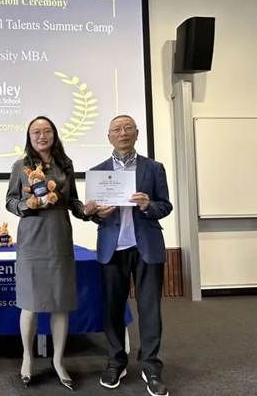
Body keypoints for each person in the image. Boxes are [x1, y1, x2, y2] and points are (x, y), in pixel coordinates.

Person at [5, 115, 95, 391]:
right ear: (29, 137)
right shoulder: (20, 166)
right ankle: (27, 357)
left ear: (54, 135)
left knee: (60, 302)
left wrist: (86, 211)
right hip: (32, 239)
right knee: (30, 303)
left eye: (46, 131)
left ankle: (58, 361)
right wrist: (27, 205)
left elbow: (73, 202)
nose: (41, 136)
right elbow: (10, 201)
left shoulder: (65, 165)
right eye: (36, 132)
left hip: (59, 238)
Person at [88, 115, 172, 396]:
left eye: (128, 128)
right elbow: (93, 216)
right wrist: (97, 214)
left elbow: (165, 206)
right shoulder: (98, 172)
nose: (122, 133)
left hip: (146, 246)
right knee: (112, 308)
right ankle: (116, 361)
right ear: (109, 136)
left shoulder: (153, 168)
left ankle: (151, 366)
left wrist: (148, 205)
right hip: (112, 249)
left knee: (150, 309)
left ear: (137, 133)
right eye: (116, 129)